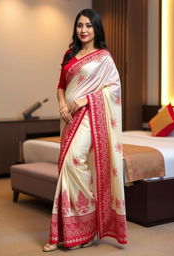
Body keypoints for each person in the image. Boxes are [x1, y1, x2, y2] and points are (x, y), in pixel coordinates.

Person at [43, 8, 128, 252]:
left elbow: (114, 88)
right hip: (68, 117)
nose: (83, 30)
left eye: (89, 25)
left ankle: (88, 223)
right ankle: (72, 231)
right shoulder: (70, 54)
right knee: (67, 167)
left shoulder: (104, 57)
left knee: (74, 160)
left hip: (90, 115)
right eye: (80, 25)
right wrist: (61, 104)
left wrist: (85, 100)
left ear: (96, 29)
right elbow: (60, 86)